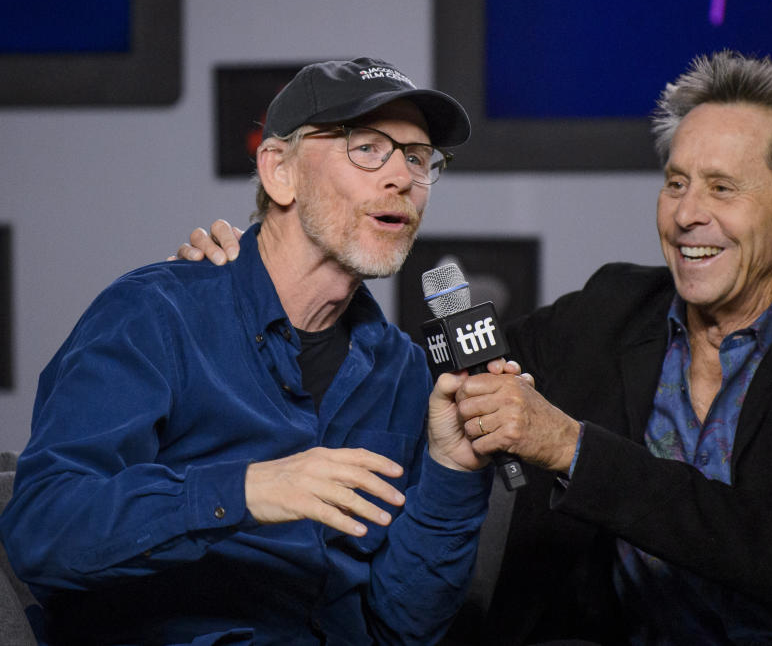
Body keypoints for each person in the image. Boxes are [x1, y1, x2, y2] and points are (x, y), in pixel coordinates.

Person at [184, 52, 772, 645]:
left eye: (723, 189)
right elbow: (419, 379)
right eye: (676, 182)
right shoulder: (614, 309)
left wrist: (569, 447)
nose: (687, 214)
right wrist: (262, 290)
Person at [0, 57, 501, 646]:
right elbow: (43, 528)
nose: (402, 178)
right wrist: (246, 490)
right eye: (368, 147)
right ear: (279, 172)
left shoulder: (401, 372)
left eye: (418, 158)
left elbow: (405, 627)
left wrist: (452, 471)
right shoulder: (157, 316)